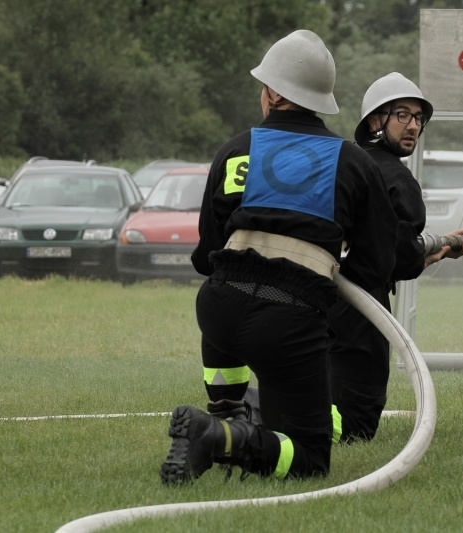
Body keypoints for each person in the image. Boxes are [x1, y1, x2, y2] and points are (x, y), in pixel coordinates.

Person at [160, 30, 398, 484]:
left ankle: (227, 413)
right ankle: (219, 436)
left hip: (218, 312)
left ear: (271, 92)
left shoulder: (235, 149)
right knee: (310, 458)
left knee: (226, 309)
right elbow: (376, 264)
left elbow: (207, 252)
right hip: (288, 321)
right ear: (319, 99)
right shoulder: (352, 162)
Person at [327, 72, 463, 443]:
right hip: (362, 309)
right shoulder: (398, 179)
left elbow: (381, 242)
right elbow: (402, 259)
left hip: (317, 295)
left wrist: (436, 247)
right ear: (376, 121)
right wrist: (439, 253)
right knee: (358, 423)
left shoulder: (344, 163)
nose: (414, 126)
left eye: (418, 118)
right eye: (403, 116)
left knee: (315, 394)